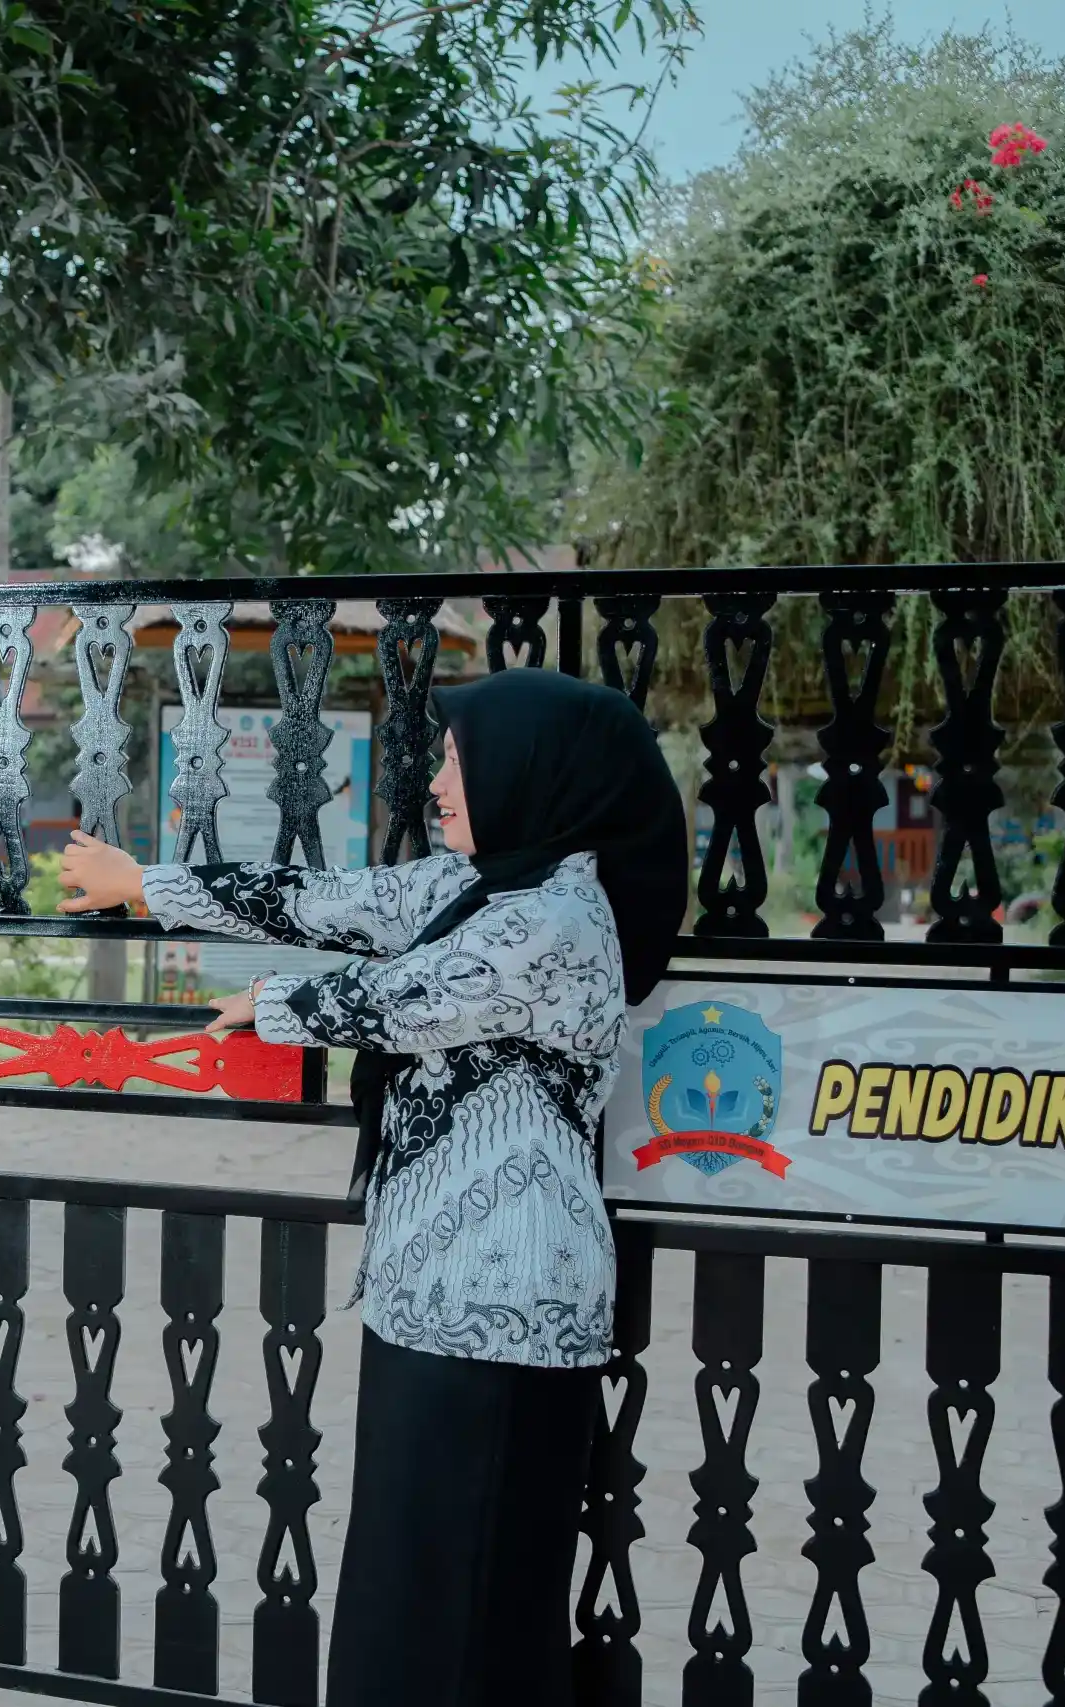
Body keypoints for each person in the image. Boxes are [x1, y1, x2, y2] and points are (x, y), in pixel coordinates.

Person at [58, 667, 685, 1707]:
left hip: (510, 1311)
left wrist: (274, 1003)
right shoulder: (478, 885)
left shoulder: (560, 920)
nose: (436, 779)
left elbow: (409, 997)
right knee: (408, 1582)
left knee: (471, 1596)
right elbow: (327, 900)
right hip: (425, 1295)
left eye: (459, 759)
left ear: (533, 773)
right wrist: (149, 883)